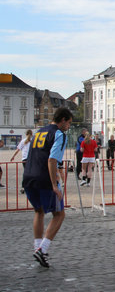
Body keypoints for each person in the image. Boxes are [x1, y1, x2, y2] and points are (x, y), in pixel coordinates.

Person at [22, 107, 73, 268]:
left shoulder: (38, 132)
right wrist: (54, 184)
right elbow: (52, 160)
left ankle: (37, 247)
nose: (69, 127)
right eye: (69, 123)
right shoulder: (59, 134)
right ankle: (42, 249)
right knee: (59, 214)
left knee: (39, 211)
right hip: (44, 178)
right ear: (63, 120)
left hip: (29, 177)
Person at [10, 129, 33, 194]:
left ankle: (24, 187)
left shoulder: (23, 141)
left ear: (26, 134)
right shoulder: (33, 141)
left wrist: (13, 156)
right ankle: (30, 186)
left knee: (26, 173)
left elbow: (18, 150)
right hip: (31, 159)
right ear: (31, 134)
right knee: (32, 173)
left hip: (25, 159)